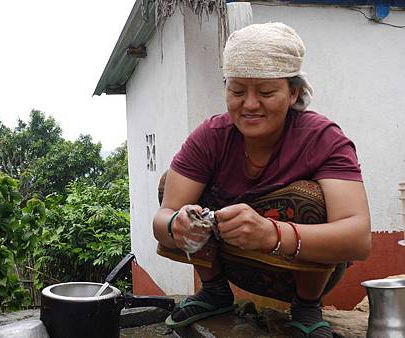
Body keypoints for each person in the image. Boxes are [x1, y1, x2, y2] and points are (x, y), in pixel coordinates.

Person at [152, 22, 371, 338]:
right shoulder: (211, 137)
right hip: (232, 261)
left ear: (293, 92)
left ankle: (306, 306)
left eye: (266, 92)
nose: (250, 104)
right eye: (237, 90)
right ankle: (215, 292)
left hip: (298, 269)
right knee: (170, 184)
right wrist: (177, 224)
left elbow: (358, 239)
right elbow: (161, 220)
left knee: (310, 197)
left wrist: (270, 234)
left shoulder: (323, 139)